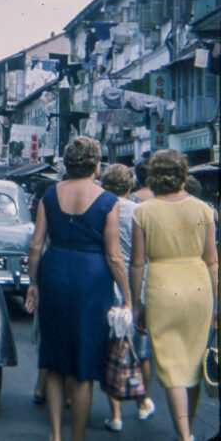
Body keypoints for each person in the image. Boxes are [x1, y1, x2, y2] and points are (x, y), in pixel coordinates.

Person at [25, 137, 131, 441]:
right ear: (97, 165)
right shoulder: (108, 200)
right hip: (91, 279)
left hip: (54, 270)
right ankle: (78, 437)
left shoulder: (49, 194)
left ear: (67, 165)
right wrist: (126, 296)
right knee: (83, 364)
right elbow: (113, 255)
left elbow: (35, 244)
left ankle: (56, 434)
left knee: (55, 358)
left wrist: (33, 283)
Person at [130, 149, 218, 441]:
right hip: (198, 286)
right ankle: (189, 429)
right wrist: (218, 302)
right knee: (193, 361)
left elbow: (138, 263)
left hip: (162, 287)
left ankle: (184, 436)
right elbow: (212, 261)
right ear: (184, 175)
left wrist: (136, 303)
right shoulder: (205, 209)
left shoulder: (143, 211)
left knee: (170, 366)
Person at [99, 163, 155, 431]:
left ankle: (116, 414)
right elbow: (143, 257)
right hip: (137, 284)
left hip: (107, 284)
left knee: (113, 348)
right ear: (130, 186)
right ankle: (143, 402)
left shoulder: (100, 210)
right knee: (140, 351)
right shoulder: (140, 212)